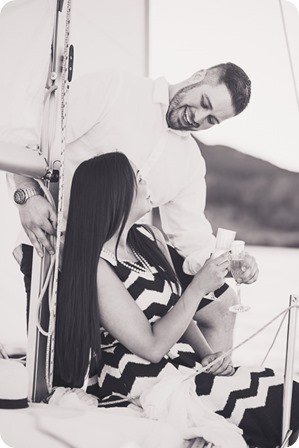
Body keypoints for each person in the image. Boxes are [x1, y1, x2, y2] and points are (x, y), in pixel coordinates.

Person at [53, 152, 298, 448]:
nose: (146, 184)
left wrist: (206, 352)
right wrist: (197, 288)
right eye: (139, 178)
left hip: (181, 366)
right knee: (284, 404)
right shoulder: (97, 267)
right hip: (140, 379)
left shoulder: (149, 239)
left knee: (287, 394)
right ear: (115, 191)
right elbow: (152, 346)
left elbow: (173, 310)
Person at [10, 62, 258, 352]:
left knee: (224, 305)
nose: (198, 118)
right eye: (204, 103)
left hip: (126, 259)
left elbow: (191, 239)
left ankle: (214, 384)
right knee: (55, 368)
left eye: (212, 120)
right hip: (58, 242)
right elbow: (35, 136)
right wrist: (26, 194)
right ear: (197, 76)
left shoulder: (190, 162)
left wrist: (228, 264)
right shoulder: (116, 87)